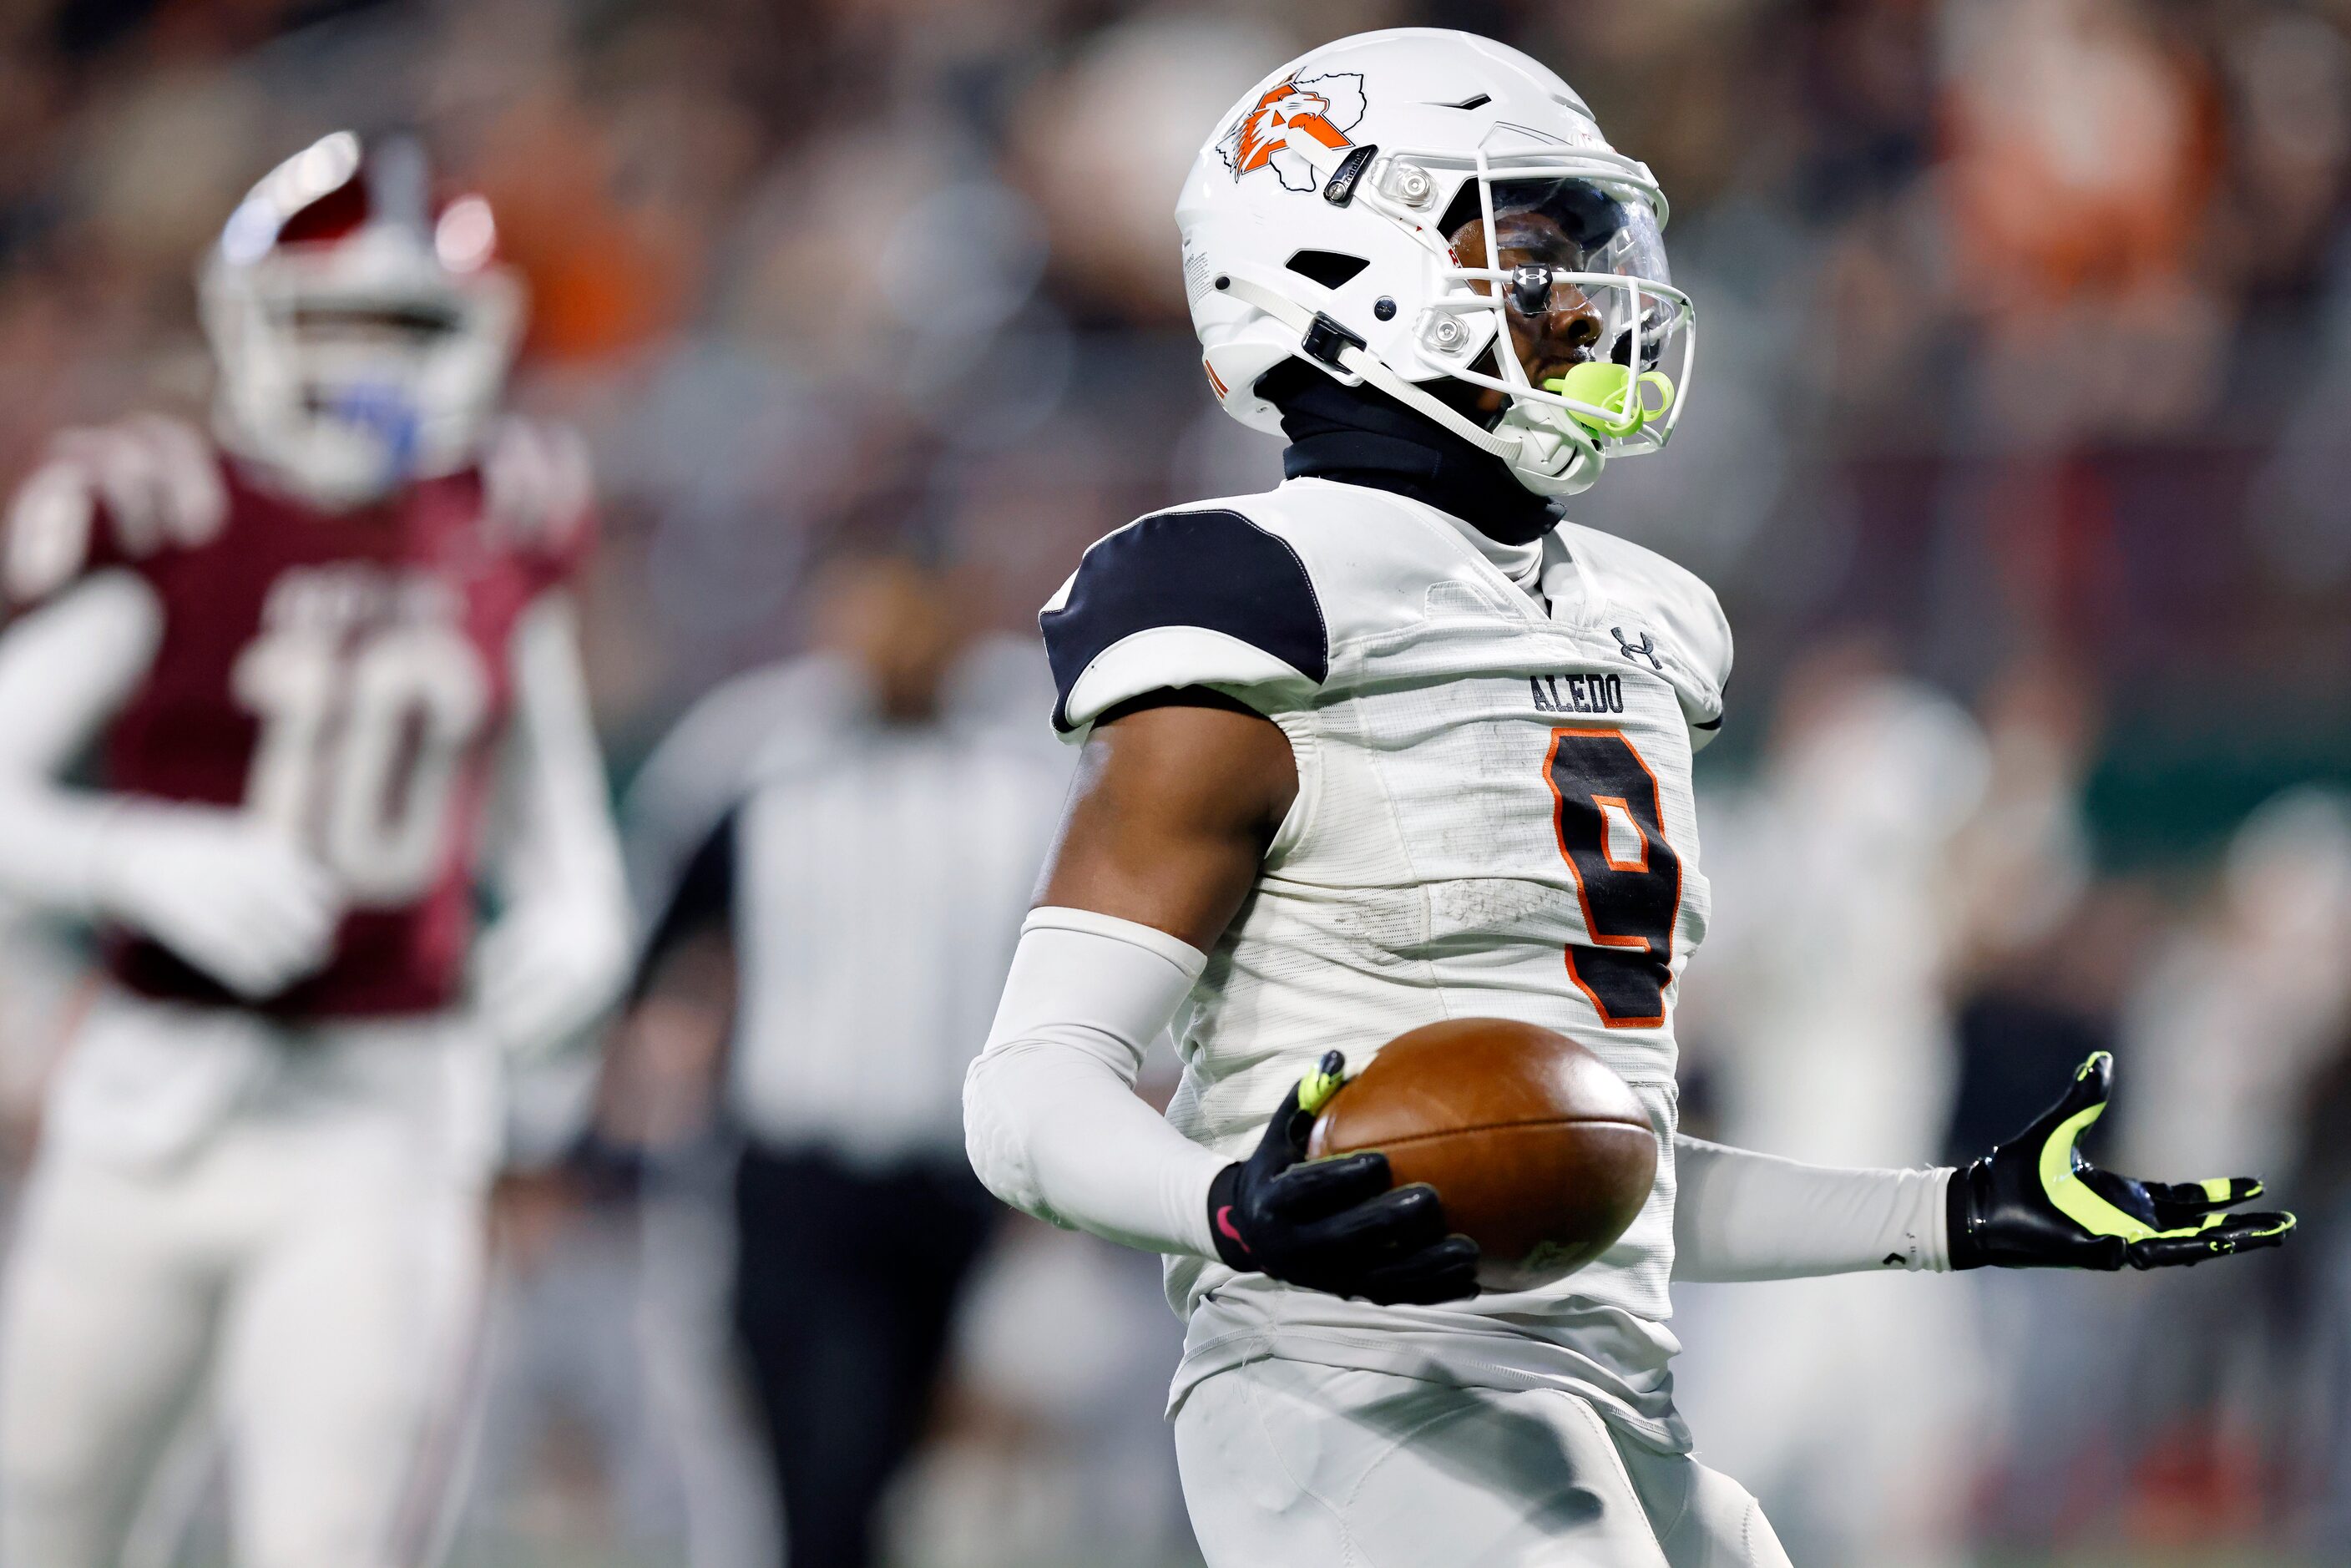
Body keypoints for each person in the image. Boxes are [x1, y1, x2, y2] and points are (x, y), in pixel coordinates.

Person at [961, 28, 2296, 1566]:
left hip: (1612, 1391)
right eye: (1529, 249)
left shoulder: (1637, 626)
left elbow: (1593, 1154)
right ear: (1334, 268)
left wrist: (1950, 1210)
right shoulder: (1263, 599)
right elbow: (1028, 1088)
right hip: (1354, 1386)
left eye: (1595, 248)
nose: (1593, 299)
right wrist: (1228, 1203)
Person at [0, 134, 631, 1567]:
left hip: (385, 1106)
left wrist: (584, 912)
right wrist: (132, 853)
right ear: (251, 321)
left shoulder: (503, 510)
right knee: (41, 1523)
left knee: (334, 1536)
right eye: (332, 317)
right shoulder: (174, 507)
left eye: (406, 322)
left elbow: (557, 803)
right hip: (151, 1098)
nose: (371, 359)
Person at [615, 536, 1068, 1568]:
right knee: (818, 1465)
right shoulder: (765, 763)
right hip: (792, 1174)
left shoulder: (1020, 780)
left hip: (950, 1184)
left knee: (887, 1461)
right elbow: (660, 941)